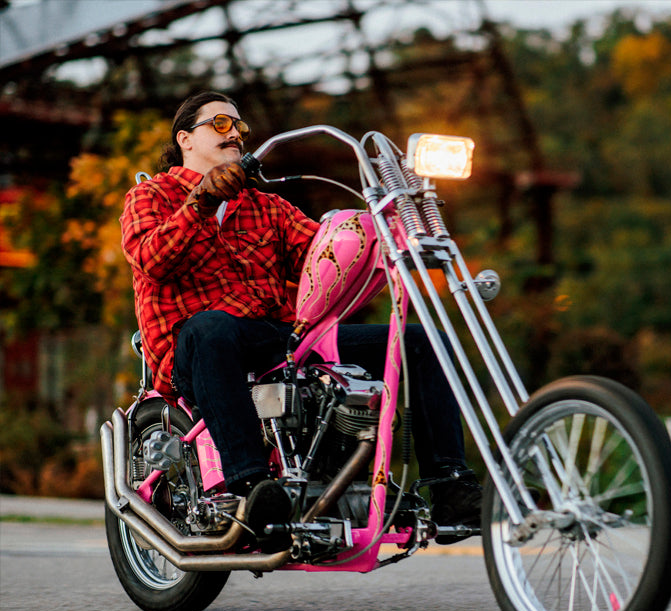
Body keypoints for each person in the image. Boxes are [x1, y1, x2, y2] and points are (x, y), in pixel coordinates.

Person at [120, 91, 481, 549]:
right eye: (220, 124)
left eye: (240, 127)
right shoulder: (151, 194)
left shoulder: (267, 206)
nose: (236, 134)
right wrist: (201, 201)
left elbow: (323, 255)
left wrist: (385, 229)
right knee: (214, 328)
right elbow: (152, 259)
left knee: (422, 340)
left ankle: (450, 485)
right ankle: (251, 489)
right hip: (194, 346)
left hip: (276, 340)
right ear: (185, 138)